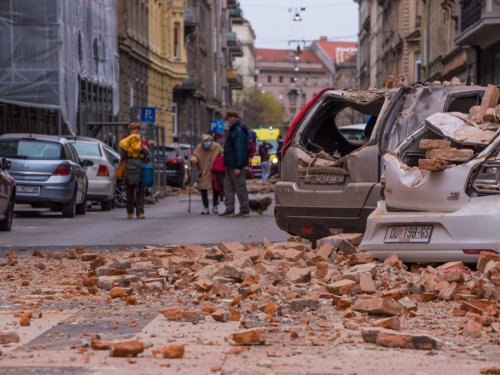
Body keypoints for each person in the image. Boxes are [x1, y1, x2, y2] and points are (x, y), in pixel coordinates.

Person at [219, 111, 250, 218]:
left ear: (233, 119)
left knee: (240, 187)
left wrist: (238, 165)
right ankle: (230, 209)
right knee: (228, 187)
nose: (227, 121)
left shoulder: (238, 130)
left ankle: (245, 210)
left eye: (228, 118)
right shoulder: (233, 130)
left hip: (236, 165)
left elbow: (240, 149)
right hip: (230, 164)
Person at [119, 123, 150, 219]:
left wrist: (141, 148)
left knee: (140, 190)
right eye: (134, 129)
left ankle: (140, 212)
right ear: (130, 131)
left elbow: (146, 153)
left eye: (137, 129)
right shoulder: (125, 141)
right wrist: (128, 148)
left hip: (139, 168)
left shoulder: (141, 140)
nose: (136, 131)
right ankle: (130, 212)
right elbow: (123, 155)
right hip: (130, 169)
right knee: (129, 191)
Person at [190, 134, 223, 215]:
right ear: (202, 142)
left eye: (208, 141)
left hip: (214, 171)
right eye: (205, 141)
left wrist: (220, 160)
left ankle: (215, 205)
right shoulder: (199, 148)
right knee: (203, 189)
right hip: (204, 171)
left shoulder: (216, 146)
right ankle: (206, 207)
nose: (207, 142)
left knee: (216, 188)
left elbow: (222, 153)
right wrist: (193, 160)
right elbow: (195, 156)